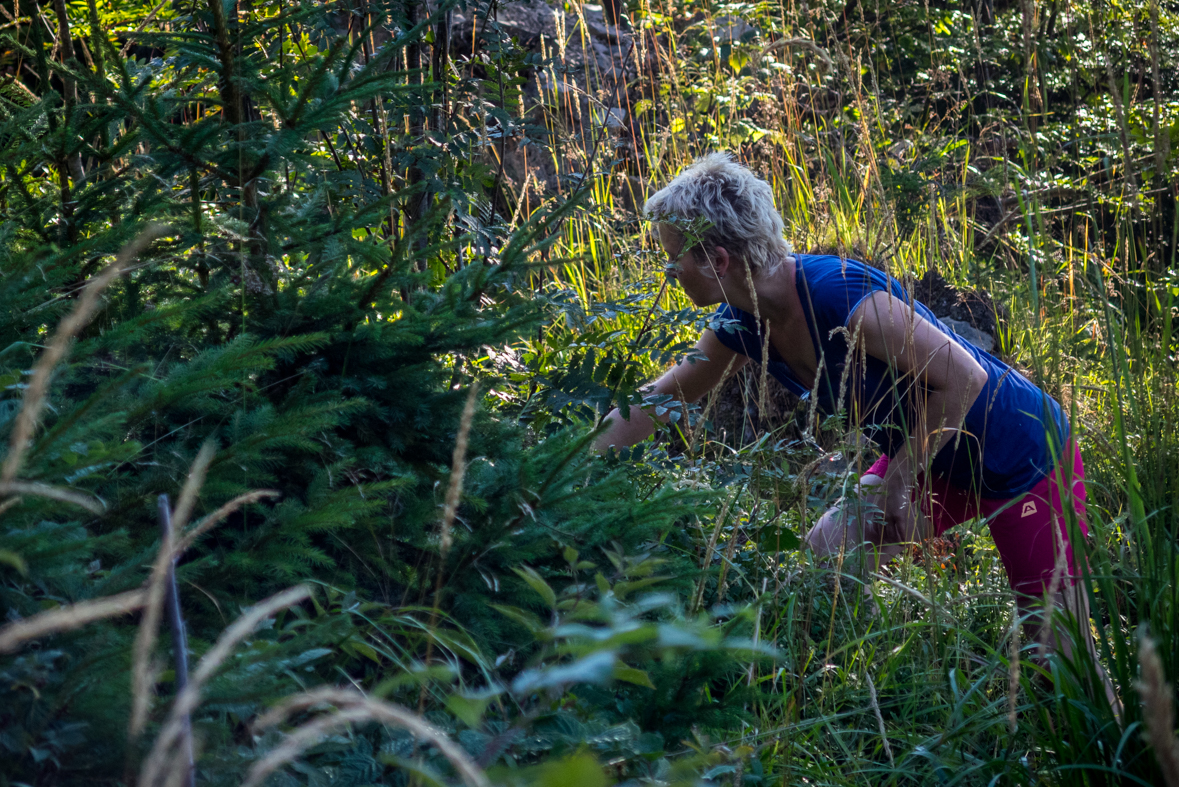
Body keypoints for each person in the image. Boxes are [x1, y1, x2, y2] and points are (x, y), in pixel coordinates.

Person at [594, 152, 1103, 670]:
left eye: (672, 256)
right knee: (829, 554)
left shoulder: (842, 297)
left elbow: (966, 377)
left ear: (716, 260)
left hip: (1025, 455)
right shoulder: (741, 320)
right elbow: (662, 398)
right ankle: (834, 686)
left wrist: (897, 482)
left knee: (1059, 656)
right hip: (935, 455)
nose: (667, 269)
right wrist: (569, 464)